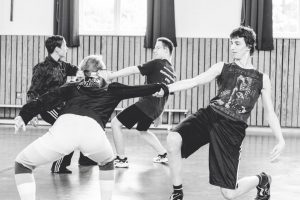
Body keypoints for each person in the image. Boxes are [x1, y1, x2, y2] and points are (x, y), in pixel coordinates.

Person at [154, 26, 285, 200]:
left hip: (232, 128)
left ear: (249, 45)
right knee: (173, 139)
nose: (232, 47)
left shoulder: (262, 78)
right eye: (231, 43)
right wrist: (166, 88)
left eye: (237, 43)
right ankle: (177, 193)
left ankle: (262, 179)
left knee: (229, 194)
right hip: (210, 115)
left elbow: (270, 113)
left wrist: (280, 139)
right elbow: (194, 81)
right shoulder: (222, 67)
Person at [14, 55, 169, 200]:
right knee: (107, 162)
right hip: (93, 133)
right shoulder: (112, 88)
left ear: (83, 71)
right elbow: (138, 89)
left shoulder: (72, 86)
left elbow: (45, 99)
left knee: (23, 164)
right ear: (102, 71)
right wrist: (161, 87)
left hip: (64, 129)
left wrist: (23, 115)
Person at [26, 35, 96, 174]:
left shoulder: (63, 66)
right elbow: (33, 91)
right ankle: (58, 166)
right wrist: (31, 113)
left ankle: (85, 159)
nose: (67, 48)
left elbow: (80, 71)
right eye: (64, 46)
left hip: (60, 105)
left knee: (81, 124)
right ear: (57, 49)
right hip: (47, 107)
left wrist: (95, 72)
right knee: (69, 128)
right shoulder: (41, 68)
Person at [104, 37, 176, 168]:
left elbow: (133, 69)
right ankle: (163, 154)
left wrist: (112, 76)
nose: (154, 50)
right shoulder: (172, 72)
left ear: (166, 50)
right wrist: (160, 113)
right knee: (143, 129)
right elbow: (170, 95)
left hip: (146, 104)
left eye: (157, 48)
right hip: (156, 108)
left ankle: (121, 158)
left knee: (115, 124)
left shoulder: (157, 63)